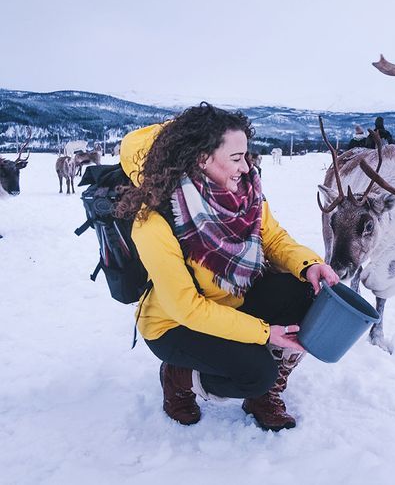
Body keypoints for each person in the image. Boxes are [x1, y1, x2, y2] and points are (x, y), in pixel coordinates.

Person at [116, 103, 339, 430]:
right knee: (257, 372)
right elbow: (187, 308)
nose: (246, 168)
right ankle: (179, 378)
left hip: (232, 299)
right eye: (236, 158)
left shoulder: (244, 193)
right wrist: (265, 333)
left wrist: (309, 265)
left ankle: (264, 395)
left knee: (307, 291)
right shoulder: (155, 220)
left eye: (247, 156)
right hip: (175, 324)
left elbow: (272, 238)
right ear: (202, 159)